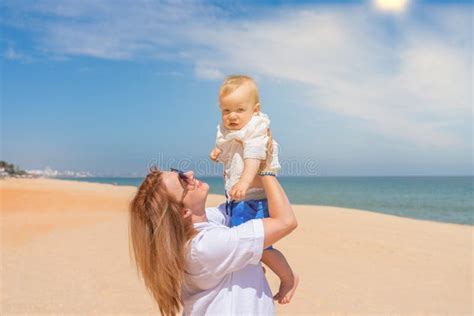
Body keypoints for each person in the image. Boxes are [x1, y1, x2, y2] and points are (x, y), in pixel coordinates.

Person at [129, 160, 298, 315]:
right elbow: (285, 221)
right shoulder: (204, 247)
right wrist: (266, 168)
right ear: (184, 212)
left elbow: (241, 208)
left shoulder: (203, 224)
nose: (189, 174)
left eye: (178, 171)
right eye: (182, 180)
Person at [210, 75, 299, 303]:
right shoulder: (228, 129)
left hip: (255, 197)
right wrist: (218, 153)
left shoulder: (256, 128)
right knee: (247, 241)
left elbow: (253, 157)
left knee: (261, 245)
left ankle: (288, 276)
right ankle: (257, 267)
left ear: (255, 109)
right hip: (239, 199)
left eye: (239, 109)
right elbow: (229, 150)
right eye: (226, 110)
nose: (232, 116)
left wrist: (245, 181)